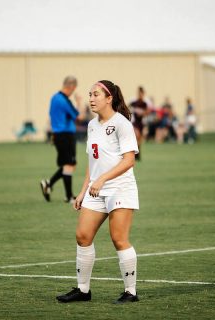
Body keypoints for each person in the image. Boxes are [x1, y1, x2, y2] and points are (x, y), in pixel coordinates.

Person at [56, 80, 140, 304]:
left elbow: (129, 161)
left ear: (109, 98)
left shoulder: (122, 124)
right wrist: (82, 192)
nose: (91, 99)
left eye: (96, 95)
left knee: (119, 239)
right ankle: (83, 290)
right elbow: (92, 164)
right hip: (96, 188)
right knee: (82, 236)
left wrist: (102, 179)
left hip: (120, 188)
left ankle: (130, 292)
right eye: (90, 94)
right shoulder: (92, 125)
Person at [40, 76, 80, 203]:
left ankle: (49, 184)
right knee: (69, 164)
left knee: (70, 164)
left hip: (58, 134)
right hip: (65, 135)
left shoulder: (54, 98)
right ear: (71, 86)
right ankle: (68, 196)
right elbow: (77, 115)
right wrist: (78, 102)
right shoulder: (64, 100)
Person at [129, 86, 150, 160]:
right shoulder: (134, 102)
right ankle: (135, 154)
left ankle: (138, 154)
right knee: (136, 136)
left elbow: (147, 112)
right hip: (135, 123)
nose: (140, 94)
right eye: (139, 93)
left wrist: (143, 113)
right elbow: (128, 108)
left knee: (140, 140)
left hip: (141, 123)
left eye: (141, 93)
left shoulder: (144, 103)